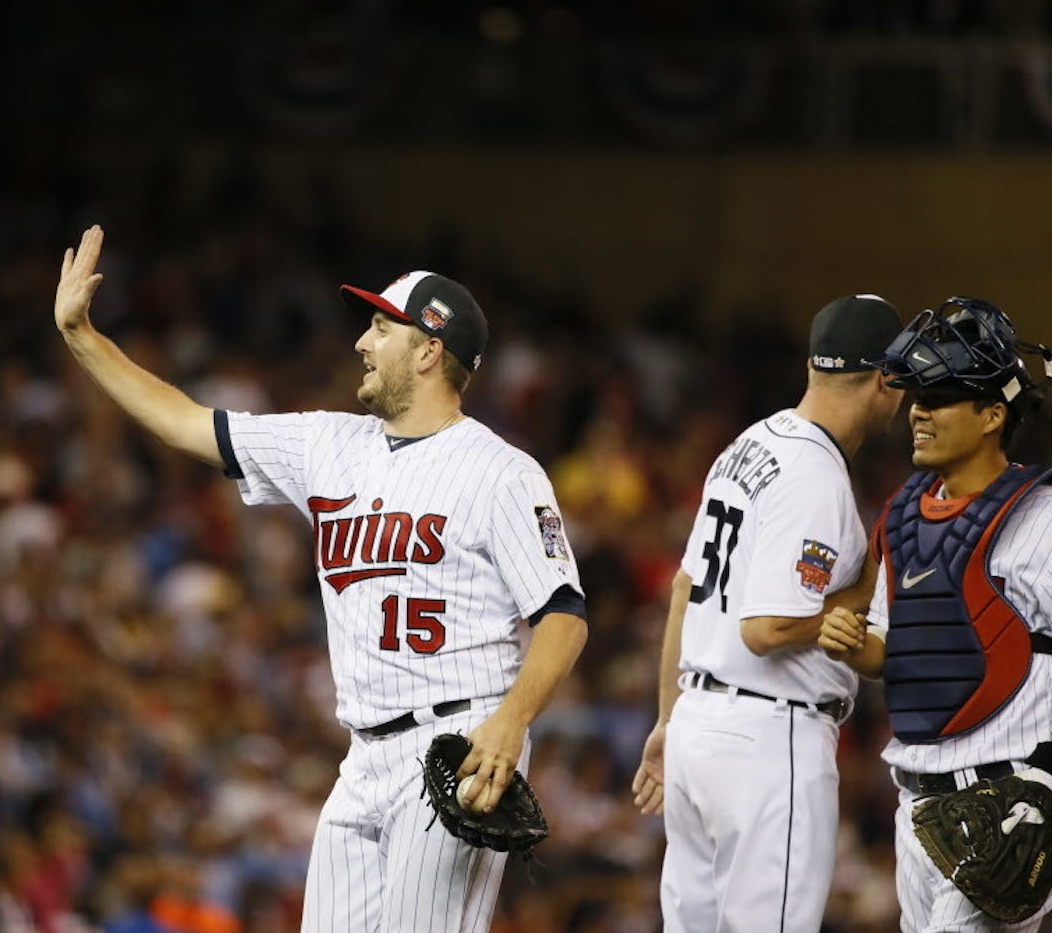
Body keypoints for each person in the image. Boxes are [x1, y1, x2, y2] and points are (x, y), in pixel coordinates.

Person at [53, 227, 589, 932]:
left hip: (460, 739)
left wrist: (512, 721)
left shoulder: (501, 472)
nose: (362, 343)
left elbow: (564, 615)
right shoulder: (328, 445)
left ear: (429, 351)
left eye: (380, 327)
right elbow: (187, 425)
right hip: (363, 756)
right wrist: (83, 337)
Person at [631, 294, 907, 931]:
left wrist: (671, 720)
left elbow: (683, 590)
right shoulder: (815, 474)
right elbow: (766, 628)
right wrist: (855, 603)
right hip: (767, 739)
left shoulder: (749, 444)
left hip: (699, 723)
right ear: (884, 381)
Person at [819, 297, 1052, 931]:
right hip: (918, 803)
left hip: (1011, 797)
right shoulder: (903, 515)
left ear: (991, 415)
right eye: (918, 393)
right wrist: (851, 644)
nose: (918, 410)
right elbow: (900, 650)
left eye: (942, 395)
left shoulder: (1039, 519)